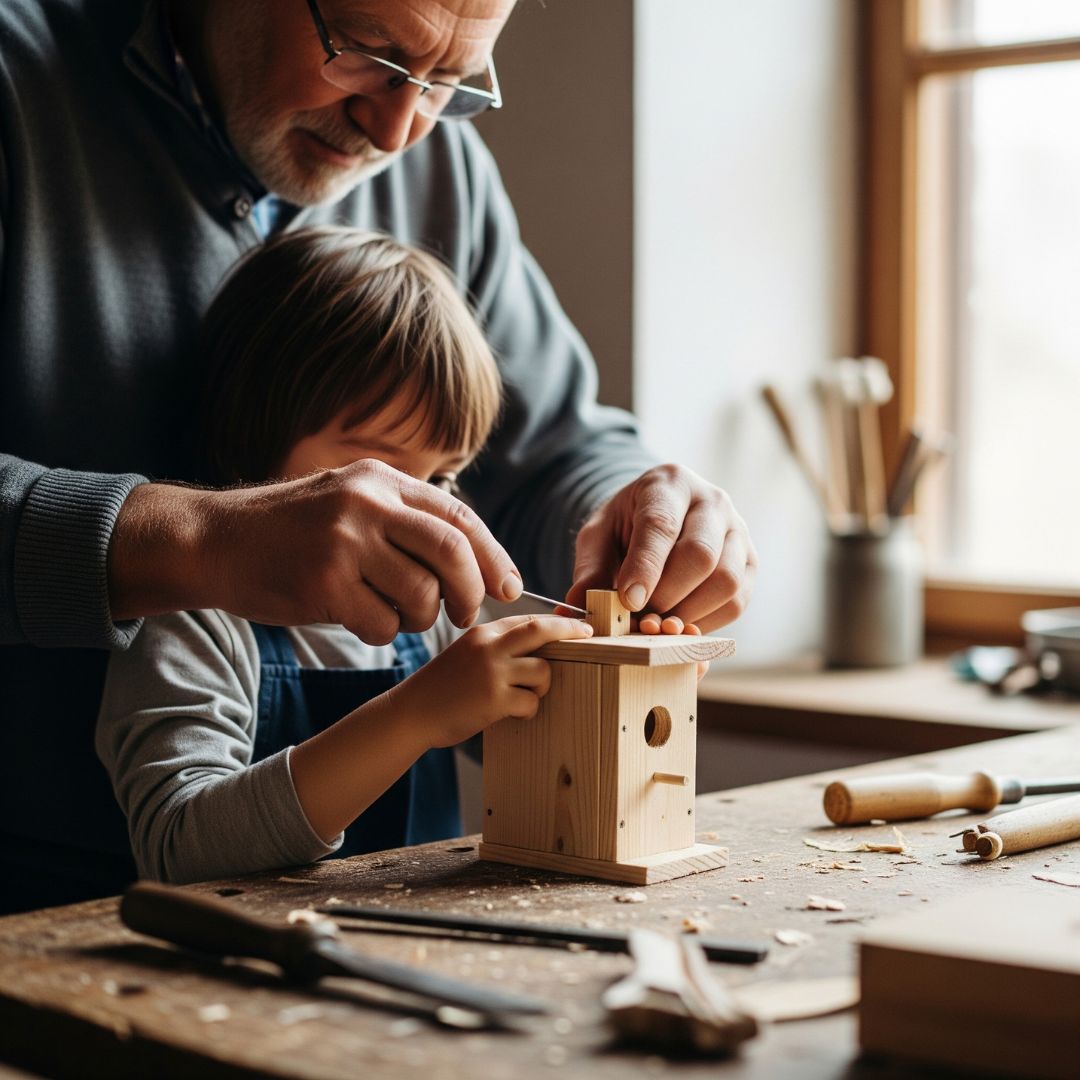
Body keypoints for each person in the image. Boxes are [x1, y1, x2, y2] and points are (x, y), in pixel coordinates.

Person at [0, 0, 756, 912]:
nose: (400, 129)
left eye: (450, 81)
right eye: (368, 52)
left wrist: (638, 530)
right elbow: (185, 837)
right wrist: (202, 543)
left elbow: (553, 452)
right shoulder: (19, 82)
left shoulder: (437, 157)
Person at [95, 226, 597, 883]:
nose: (417, 509)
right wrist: (417, 713)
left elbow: (517, 732)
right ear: (252, 432)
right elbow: (177, 847)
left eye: (441, 478)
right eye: (376, 469)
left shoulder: (435, 616)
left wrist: (595, 672)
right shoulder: (191, 616)